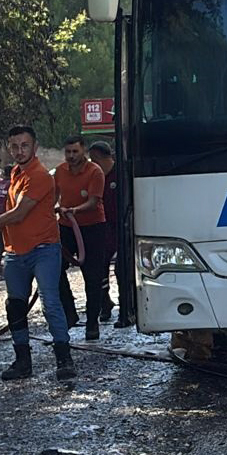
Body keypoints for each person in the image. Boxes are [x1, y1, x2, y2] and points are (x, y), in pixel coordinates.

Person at [0, 125, 74, 381]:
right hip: (15, 252)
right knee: (15, 305)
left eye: (24, 145)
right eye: (14, 146)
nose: (19, 151)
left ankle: (64, 358)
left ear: (35, 147)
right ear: (9, 148)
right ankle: (22, 361)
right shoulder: (13, 174)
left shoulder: (39, 175)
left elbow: (18, 214)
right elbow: (2, 204)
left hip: (44, 249)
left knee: (50, 302)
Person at [54, 135, 109, 340]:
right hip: (66, 227)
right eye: (68, 152)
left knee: (92, 276)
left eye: (75, 152)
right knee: (54, 268)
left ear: (83, 151)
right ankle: (69, 312)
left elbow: (95, 201)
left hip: (92, 227)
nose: (71, 156)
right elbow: (53, 196)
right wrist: (55, 210)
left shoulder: (95, 172)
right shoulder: (60, 171)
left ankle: (92, 322)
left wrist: (74, 210)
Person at [88, 141, 135, 328]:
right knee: (99, 269)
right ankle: (104, 304)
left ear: (102, 158)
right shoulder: (94, 177)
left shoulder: (121, 174)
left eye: (94, 159)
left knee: (122, 270)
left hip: (122, 226)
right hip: (102, 227)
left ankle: (126, 310)